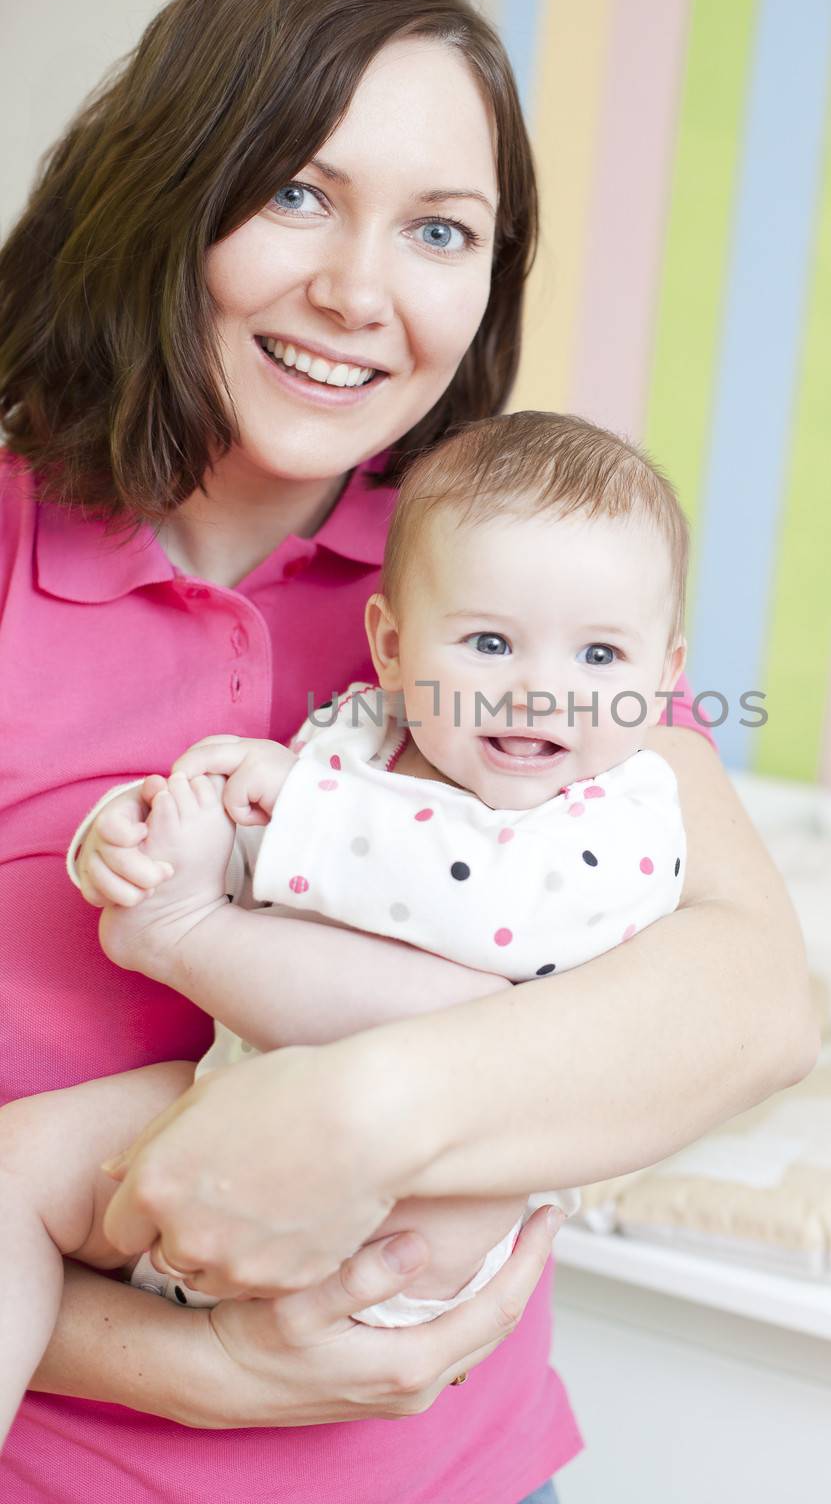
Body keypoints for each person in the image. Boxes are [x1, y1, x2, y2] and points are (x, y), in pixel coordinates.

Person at [0, 0, 817, 1504]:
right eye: (297, 195)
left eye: (440, 230)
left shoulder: (503, 602)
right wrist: (201, 1370)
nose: (360, 293)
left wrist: (358, 1106)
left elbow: (752, 1000)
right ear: (165, 196)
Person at [0, 411, 691, 1435]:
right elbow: (276, 874)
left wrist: (292, 817)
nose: (543, 688)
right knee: (15, 1166)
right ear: (393, 647)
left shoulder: (624, 807)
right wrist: (142, 843)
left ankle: (181, 939)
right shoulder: (361, 733)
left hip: (415, 1204)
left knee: (465, 1006)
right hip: (216, 1115)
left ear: (663, 675)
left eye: (599, 654)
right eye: (490, 642)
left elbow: (493, 913)